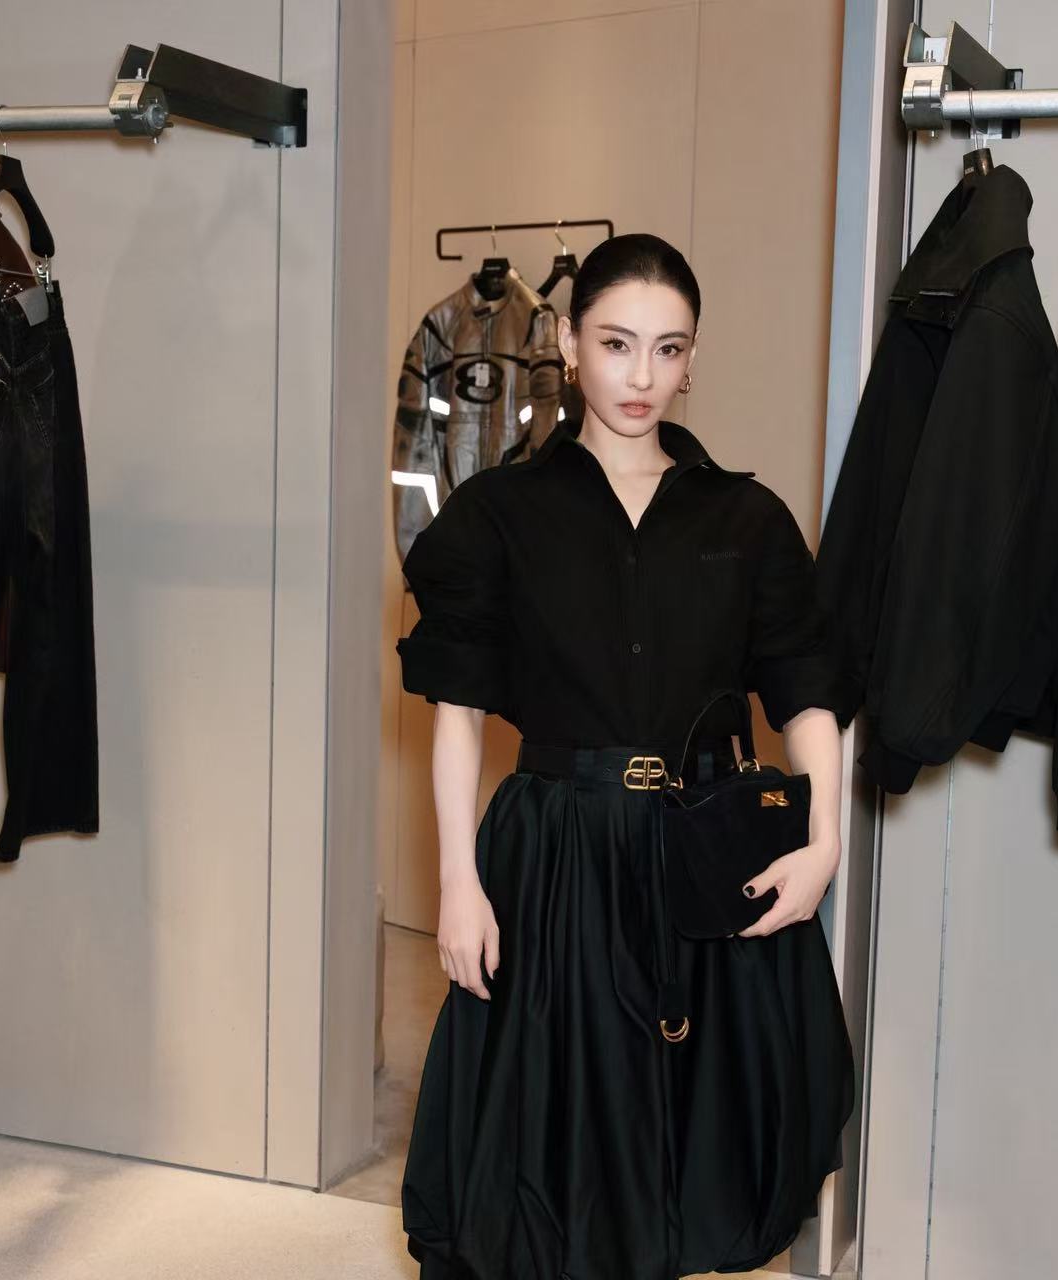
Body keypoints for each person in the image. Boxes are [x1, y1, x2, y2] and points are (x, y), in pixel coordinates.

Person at [394, 232, 858, 1280]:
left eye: (668, 347)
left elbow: (807, 694)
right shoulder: (501, 514)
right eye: (616, 343)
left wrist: (825, 838)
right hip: (558, 853)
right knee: (549, 1149)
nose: (641, 374)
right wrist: (458, 881)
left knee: (692, 1141)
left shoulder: (747, 518)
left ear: (693, 358)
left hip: (705, 854)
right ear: (567, 342)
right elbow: (458, 712)